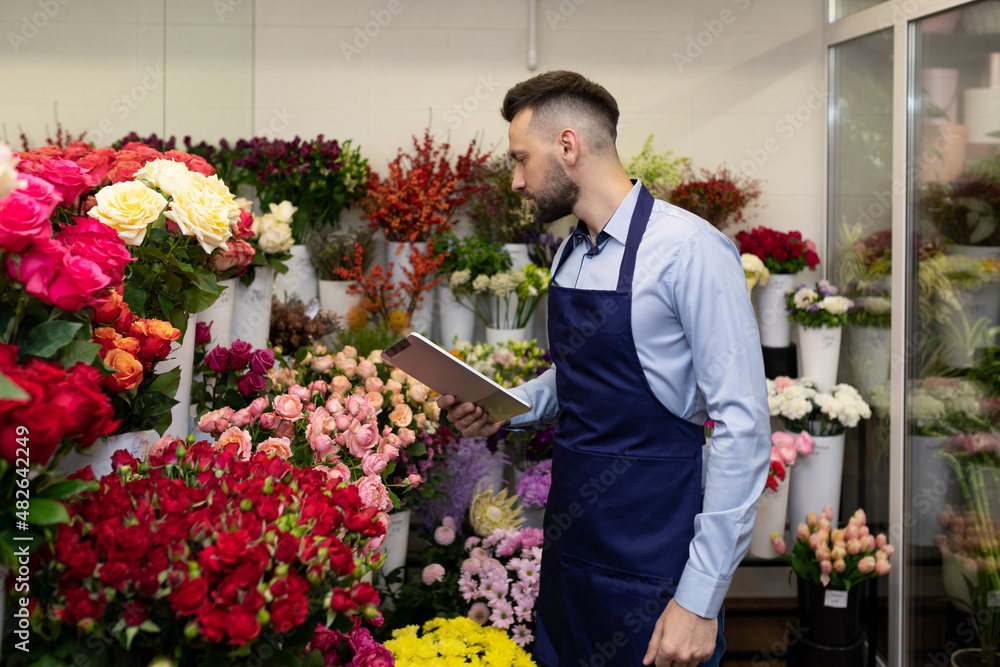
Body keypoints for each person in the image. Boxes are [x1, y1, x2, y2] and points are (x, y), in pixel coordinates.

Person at [437, 70, 771, 667]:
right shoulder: (571, 251)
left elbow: (743, 431)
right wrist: (501, 409)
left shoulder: (690, 252)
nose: (515, 181)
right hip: (571, 558)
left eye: (521, 160)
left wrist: (698, 601)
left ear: (568, 146)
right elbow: (580, 377)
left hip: (657, 566)